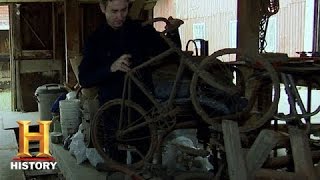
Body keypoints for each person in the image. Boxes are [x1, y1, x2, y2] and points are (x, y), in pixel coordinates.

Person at [78, 0, 182, 163]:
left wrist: (173, 33)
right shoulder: (95, 40)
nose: (120, 16)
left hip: (143, 109)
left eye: (124, 10)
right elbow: (84, 79)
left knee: (143, 162)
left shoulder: (141, 30)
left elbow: (172, 55)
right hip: (113, 112)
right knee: (116, 165)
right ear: (102, 7)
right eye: (114, 11)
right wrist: (111, 68)